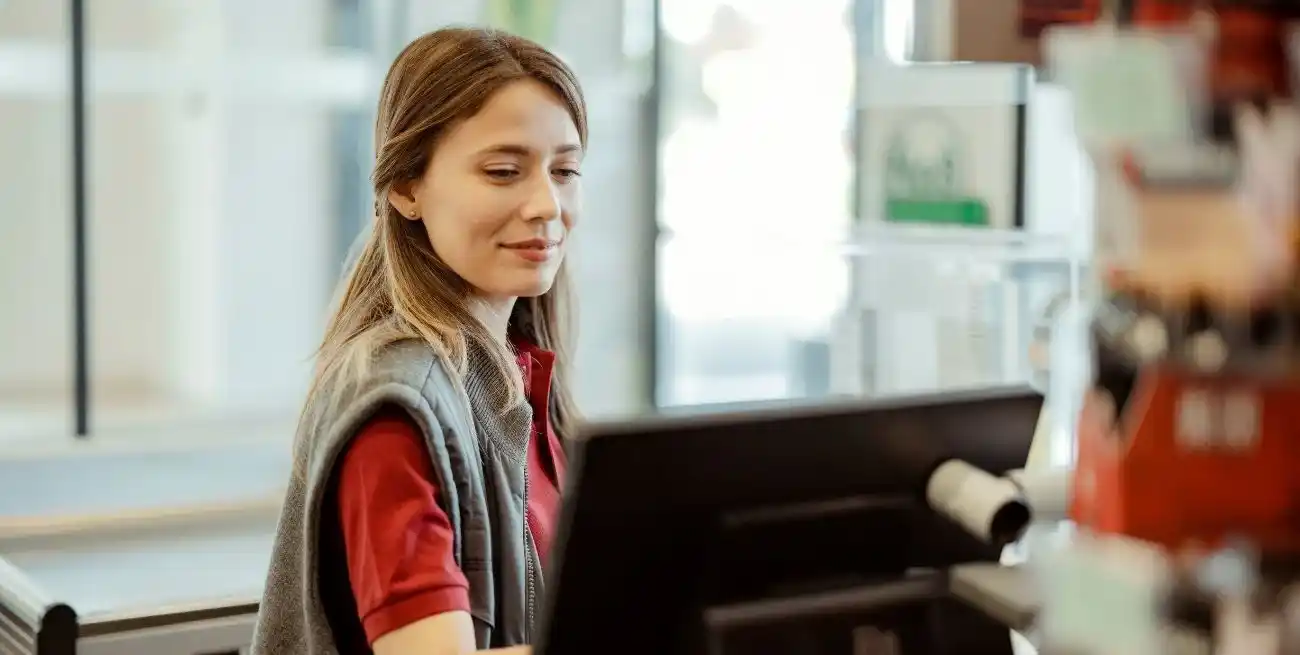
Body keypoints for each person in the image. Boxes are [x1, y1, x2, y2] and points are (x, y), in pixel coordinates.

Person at [251, 26, 586, 655]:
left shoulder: (522, 380)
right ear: (406, 187)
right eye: (503, 171)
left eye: (565, 170)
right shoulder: (396, 411)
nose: (547, 204)